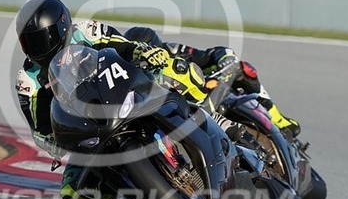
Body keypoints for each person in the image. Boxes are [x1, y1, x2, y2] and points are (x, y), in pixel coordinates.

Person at [14, 0, 207, 199]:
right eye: (28, 42)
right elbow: (39, 130)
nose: (37, 48)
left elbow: (124, 46)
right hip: (90, 127)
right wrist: (53, 142)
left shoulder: (86, 31)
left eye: (41, 39)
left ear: (61, 26)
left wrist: (143, 52)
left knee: (178, 71)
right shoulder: (28, 81)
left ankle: (214, 115)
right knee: (74, 194)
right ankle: (139, 184)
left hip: (126, 90)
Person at [123, 26, 301, 137]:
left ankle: (279, 119)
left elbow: (214, 53)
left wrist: (224, 62)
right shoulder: (131, 76)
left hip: (208, 89)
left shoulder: (173, 50)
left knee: (245, 70)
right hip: (180, 110)